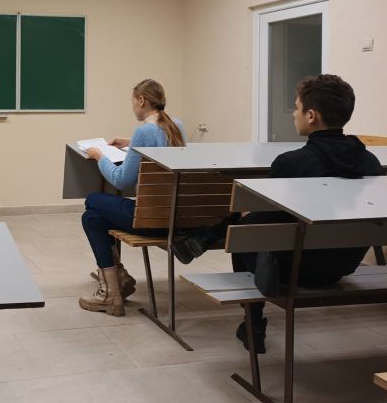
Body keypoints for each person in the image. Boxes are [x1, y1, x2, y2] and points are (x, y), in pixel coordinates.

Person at [173, 74, 383, 353]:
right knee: (254, 222)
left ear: (311, 116)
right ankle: (204, 237)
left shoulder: (291, 163)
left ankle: (253, 322)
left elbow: (264, 224)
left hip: (294, 272)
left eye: (297, 108)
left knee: (248, 230)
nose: (294, 114)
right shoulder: (370, 163)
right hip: (343, 265)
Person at [79, 79, 185, 316]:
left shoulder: (144, 131)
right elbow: (159, 143)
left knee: (93, 200)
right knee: (92, 218)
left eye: (133, 101)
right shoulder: (176, 125)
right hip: (178, 217)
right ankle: (115, 285)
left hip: (151, 220)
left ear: (141, 100)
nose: (133, 106)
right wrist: (129, 143)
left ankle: (114, 287)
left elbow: (121, 180)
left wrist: (99, 156)